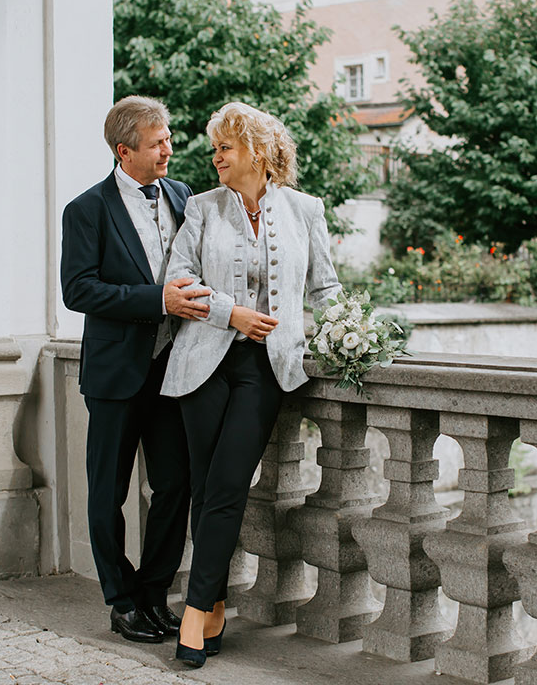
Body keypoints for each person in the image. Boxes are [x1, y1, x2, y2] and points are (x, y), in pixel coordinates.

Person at [161, 102, 342, 667]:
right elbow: (177, 280)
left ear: (257, 153)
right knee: (204, 487)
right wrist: (229, 313)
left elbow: (325, 289)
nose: (214, 158)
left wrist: (349, 336)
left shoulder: (305, 210)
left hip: (267, 368)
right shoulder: (201, 208)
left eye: (224, 148)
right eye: (214, 148)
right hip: (202, 363)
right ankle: (212, 602)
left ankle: (193, 610)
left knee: (229, 482)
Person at [60, 95, 211, 644]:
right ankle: (120, 600)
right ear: (125, 151)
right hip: (116, 374)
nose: (169, 148)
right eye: (157, 143)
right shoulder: (86, 210)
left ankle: (153, 594)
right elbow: (78, 289)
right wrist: (157, 301)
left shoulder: (182, 195)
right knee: (109, 492)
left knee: (175, 486)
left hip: (175, 370)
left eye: (168, 137)